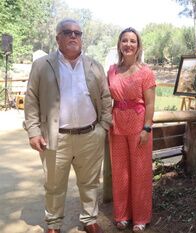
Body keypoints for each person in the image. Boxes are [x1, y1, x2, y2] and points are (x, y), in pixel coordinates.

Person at [24, 18, 112, 233]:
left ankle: (90, 219)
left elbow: (106, 97)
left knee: (90, 182)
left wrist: (104, 127)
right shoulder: (42, 65)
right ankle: (53, 224)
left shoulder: (94, 65)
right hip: (56, 138)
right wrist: (34, 131)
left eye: (77, 33)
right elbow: (31, 99)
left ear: (81, 38)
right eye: (67, 32)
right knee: (54, 184)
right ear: (58, 38)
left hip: (90, 135)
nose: (73, 36)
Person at [107, 27, 156, 232]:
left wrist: (147, 128)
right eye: (124, 40)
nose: (128, 44)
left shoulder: (146, 72)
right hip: (116, 125)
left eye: (132, 41)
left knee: (140, 172)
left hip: (138, 127)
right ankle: (122, 215)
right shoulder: (111, 70)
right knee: (120, 173)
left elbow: (151, 104)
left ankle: (140, 218)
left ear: (138, 46)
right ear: (119, 45)